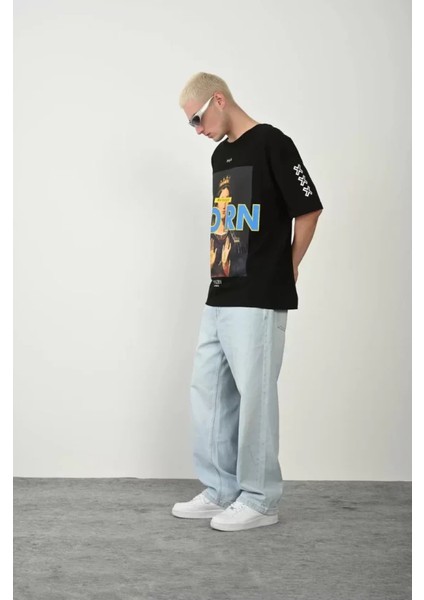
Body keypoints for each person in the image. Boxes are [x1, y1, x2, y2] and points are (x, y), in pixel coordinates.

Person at [171, 72, 323, 532]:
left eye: (198, 119)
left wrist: (288, 266)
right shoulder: (221, 155)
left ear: (218, 100)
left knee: (255, 397)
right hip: (221, 290)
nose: (197, 130)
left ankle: (260, 499)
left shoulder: (273, 142)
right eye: (191, 124)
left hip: (259, 294)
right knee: (209, 393)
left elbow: (309, 208)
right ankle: (221, 490)